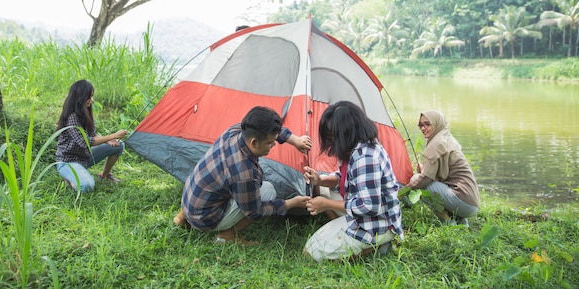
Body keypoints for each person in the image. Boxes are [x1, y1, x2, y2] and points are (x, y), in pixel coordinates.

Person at [173, 106, 312, 246]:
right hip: (205, 218)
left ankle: (183, 217)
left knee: (224, 184)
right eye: (269, 143)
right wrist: (290, 203)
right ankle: (227, 235)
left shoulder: (234, 131)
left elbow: (265, 129)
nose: (274, 145)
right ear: (254, 143)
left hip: (190, 201)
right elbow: (255, 211)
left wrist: (294, 140)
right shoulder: (245, 174)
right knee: (268, 190)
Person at [302, 101, 403, 262]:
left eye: (332, 135)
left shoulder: (366, 158)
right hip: (361, 209)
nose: (330, 141)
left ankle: (377, 244)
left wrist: (325, 205)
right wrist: (320, 179)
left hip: (377, 222)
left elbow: (369, 206)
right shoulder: (354, 148)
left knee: (310, 253)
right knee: (322, 190)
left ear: (347, 132)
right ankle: (344, 231)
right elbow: (344, 178)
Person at [407, 110, 480, 227]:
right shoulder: (446, 137)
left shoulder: (437, 143)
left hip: (462, 202)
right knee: (425, 181)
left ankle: (447, 221)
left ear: (436, 124)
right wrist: (425, 169)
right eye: (421, 125)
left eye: (427, 124)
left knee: (415, 179)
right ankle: (461, 222)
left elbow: (425, 179)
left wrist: (401, 193)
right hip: (471, 203)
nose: (423, 128)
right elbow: (445, 172)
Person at [55, 80, 127, 192]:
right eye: (89, 97)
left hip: (83, 157)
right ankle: (70, 180)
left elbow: (92, 135)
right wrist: (112, 135)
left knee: (118, 144)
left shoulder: (85, 113)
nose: (91, 100)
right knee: (86, 186)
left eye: (92, 96)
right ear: (80, 98)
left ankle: (104, 175)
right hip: (68, 161)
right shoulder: (72, 117)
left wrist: (108, 141)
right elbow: (86, 142)